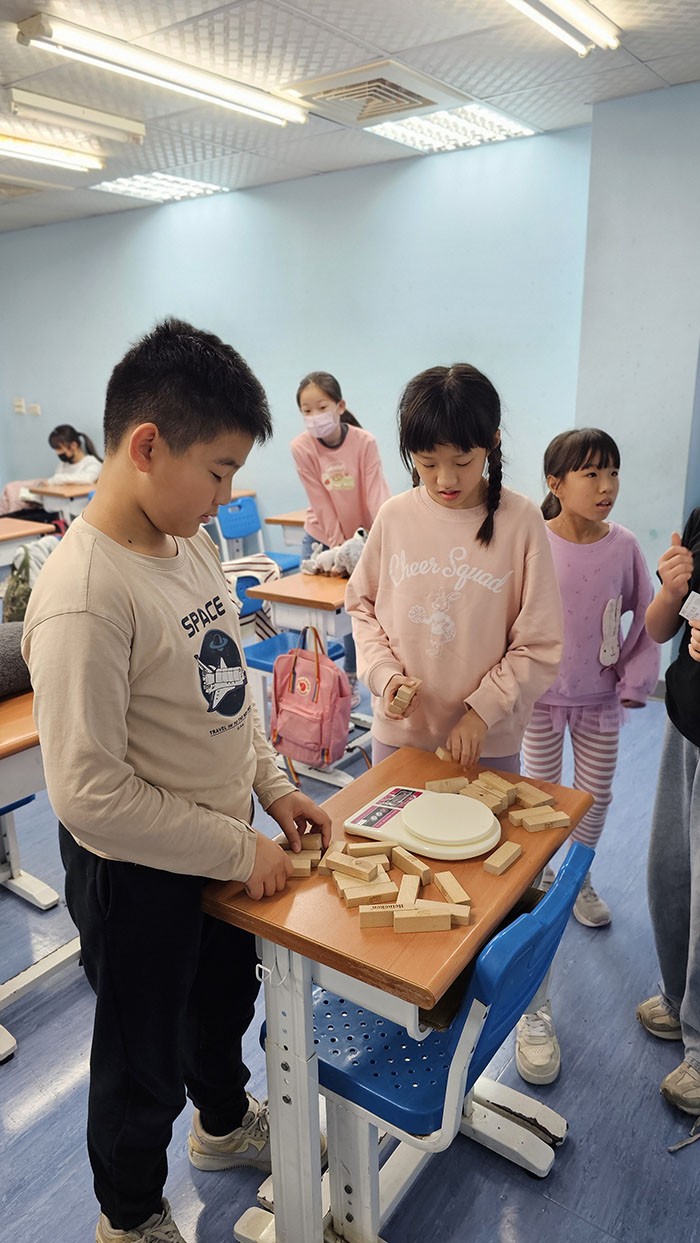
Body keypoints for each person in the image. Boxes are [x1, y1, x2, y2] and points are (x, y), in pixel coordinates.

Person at [22, 319, 331, 1243]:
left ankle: (223, 1125)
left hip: (218, 841)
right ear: (148, 447)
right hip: (136, 870)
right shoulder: (86, 594)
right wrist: (237, 845)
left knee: (219, 1006)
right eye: (219, 471)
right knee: (141, 1059)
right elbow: (89, 795)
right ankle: (129, 1216)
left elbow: (228, 693)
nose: (227, 496)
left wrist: (273, 789)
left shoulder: (185, 539)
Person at [516, 428, 658, 1087]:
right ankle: (545, 878)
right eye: (591, 474)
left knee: (594, 796)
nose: (606, 487)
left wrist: (634, 678)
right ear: (556, 482)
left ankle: (580, 878)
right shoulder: (534, 542)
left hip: (600, 698)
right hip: (542, 699)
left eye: (613, 473)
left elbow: (646, 618)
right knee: (540, 797)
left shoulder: (624, 546)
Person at [345, 362, 563, 775]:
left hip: (487, 737)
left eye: (462, 462)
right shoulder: (394, 517)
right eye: (427, 463)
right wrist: (384, 676)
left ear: (492, 442)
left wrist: (483, 712)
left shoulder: (521, 521)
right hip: (400, 733)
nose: (445, 479)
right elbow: (362, 608)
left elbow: (539, 642)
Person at [637, 518, 700, 1115]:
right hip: (686, 722)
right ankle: (680, 998)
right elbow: (660, 630)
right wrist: (672, 590)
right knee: (670, 871)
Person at [291, 371, 391, 706]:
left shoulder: (364, 442)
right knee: (311, 620)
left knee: (354, 613)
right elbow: (320, 502)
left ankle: (349, 675)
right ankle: (307, 683)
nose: (314, 416)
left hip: (360, 540)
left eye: (321, 407)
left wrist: (383, 538)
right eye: (306, 411)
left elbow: (377, 495)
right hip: (321, 541)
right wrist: (338, 551)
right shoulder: (302, 447)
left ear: (340, 406)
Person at [0, 423, 102, 520]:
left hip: (70, 513)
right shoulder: (63, 465)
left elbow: (87, 479)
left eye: (59, 448)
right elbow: (55, 488)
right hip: (52, 509)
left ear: (73, 445)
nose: (57, 452)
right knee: (9, 518)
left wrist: (56, 480)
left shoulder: (92, 463)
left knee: (19, 521)